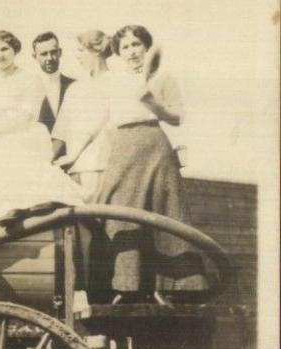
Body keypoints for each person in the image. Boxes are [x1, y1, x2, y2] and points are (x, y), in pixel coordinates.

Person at [54, 25, 205, 296]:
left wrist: (152, 104)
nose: (132, 51)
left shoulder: (163, 77)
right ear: (118, 52)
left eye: (136, 45)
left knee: (167, 215)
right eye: (125, 47)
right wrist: (74, 155)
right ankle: (125, 287)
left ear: (146, 47)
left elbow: (177, 117)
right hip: (123, 151)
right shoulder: (114, 80)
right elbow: (99, 119)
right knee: (118, 216)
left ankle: (183, 287)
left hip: (154, 148)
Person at [0, 30, 82, 225]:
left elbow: (27, 114)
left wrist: (0, 132)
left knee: (15, 151)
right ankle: (7, 208)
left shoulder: (29, 78)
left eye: (5, 49)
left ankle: (36, 202)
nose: (1, 54)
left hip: (25, 132)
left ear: (14, 50)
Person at [52, 30, 113, 202]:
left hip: (102, 165)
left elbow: (97, 124)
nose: (77, 55)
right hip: (74, 168)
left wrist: (74, 156)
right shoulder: (75, 89)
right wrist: (46, 162)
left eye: (81, 50)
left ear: (97, 50)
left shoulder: (115, 82)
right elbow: (60, 132)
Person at [32, 32, 75, 135]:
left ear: (60, 52)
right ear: (35, 57)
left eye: (53, 52)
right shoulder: (28, 87)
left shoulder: (74, 86)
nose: (49, 58)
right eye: (44, 54)